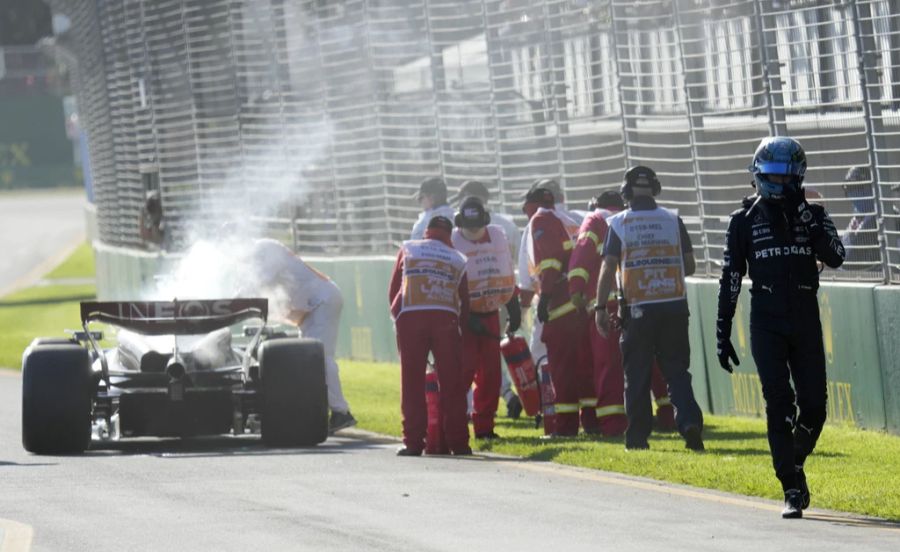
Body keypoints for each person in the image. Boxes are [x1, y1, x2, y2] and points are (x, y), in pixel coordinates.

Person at [716, 137, 844, 518]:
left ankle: (795, 458)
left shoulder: (815, 215)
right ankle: (790, 486)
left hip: (804, 319)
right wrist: (722, 330)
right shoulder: (743, 221)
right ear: (757, 175)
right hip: (766, 322)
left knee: (815, 409)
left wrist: (805, 216)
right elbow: (731, 277)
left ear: (799, 177)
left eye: (788, 177)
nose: (780, 183)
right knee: (778, 405)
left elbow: (836, 257)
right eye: (773, 175)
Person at [594, 166, 704, 452]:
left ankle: (638, 438)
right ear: (655, 189)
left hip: (637, 311)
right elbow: (689, 265)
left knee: (637, 376)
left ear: (626, 192)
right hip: (674, 307)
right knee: (678, 371)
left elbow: (607, 268)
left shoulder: (618, 223)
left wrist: (600, 307)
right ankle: (690, 424)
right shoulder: (672, 220)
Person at [569, 190, 675, 436]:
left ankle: (614, 423)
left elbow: (582, 254)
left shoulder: (596, 220)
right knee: (654, 361)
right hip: (645, 300)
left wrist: (576, 290)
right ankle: (670, 416)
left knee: (609, 366)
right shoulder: (636, 218)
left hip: (608, 305)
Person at [248, 238, 356, 434]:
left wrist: (234, 299)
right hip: (310, 308)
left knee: (320, 357)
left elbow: (261, 283)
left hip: (321, 301)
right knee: (310, 362)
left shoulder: (265, 248)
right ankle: (318, 412)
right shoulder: (257, 255)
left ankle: (342, 413)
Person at [389, 216, 472, 456]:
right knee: (452, 384)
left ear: (427, 232)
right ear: (450, 234)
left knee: (412, 382)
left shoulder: (408, 248)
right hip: (445, 320)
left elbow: (394, 289)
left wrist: (398, 317)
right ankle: (459, 444)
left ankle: (413, 443)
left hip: (411, 317)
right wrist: (460, 329)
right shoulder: (458, 258)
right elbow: (465, 301)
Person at [527, 184, 598, 436]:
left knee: (562, 369)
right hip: (581, 302)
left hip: (560, 305)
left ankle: (566, 426)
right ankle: (591, 422)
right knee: (584, 366)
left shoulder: (541, 220)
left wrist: (545, 298)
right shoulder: (567, 219)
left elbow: (550, 262)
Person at [450, 180, 522, 418]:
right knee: (464, 370)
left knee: (491, 373)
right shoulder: (452, 242)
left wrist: (514, 309)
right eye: (469, 229)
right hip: (463, 317)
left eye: (477, 227)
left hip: (491, 313)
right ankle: (453, 420)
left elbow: (505, 274)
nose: (474, 233)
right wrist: (463, 316)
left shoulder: (497, 236)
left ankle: (485, 426)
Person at [840, 166, 880, 270]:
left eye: (857, 187)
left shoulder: (890, 219)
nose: (851, 193)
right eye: (848, 189)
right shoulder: (856, 220)